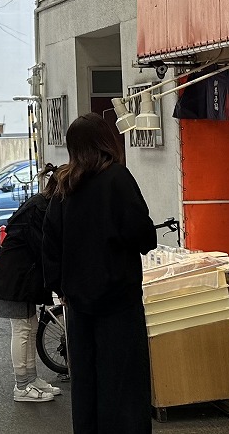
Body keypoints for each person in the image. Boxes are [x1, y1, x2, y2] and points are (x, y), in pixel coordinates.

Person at [43, 113, 157, 434]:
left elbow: (49, 243)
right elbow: (143, 236)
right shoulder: (118, 178)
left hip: (77, 302)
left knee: (86, 380)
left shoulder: (64, 184)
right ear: (106, 140)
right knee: (123, 381)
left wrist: (59, 286)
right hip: (119, 299)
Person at [0, 166, 63, 404]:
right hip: (15, 279)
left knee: (28, 328)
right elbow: (43, 250)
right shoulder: (40, 208)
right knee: (22, 329)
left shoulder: (41, 204)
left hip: (20, 277)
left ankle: (31, 380)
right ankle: (22, 386)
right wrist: (59, 285)